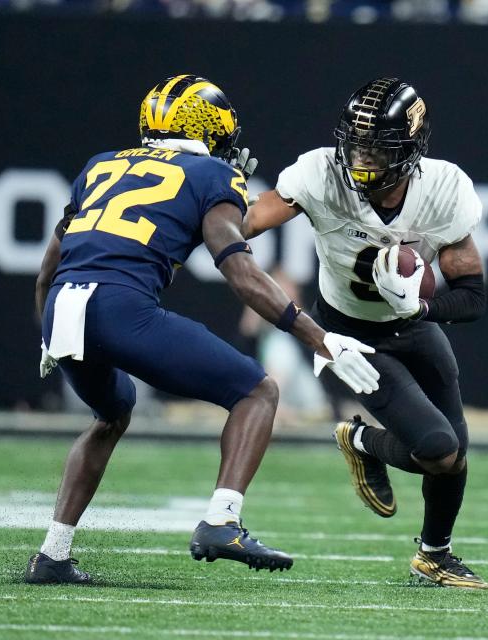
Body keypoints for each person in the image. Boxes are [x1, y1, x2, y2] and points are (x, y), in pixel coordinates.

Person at [25, 74, 380, 584]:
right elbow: (240, 273)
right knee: (257, 391)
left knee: (111, 413)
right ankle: (222, 521)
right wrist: (319, 338)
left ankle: (52, 555)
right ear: (210, 128)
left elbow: (46, 271)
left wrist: (47, 334)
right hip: (122, 308)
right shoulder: (212, 175)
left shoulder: (100, 166)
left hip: (64, 308)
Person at [242, 77, 488, 589]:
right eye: (356, 143)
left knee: (454, 456)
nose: (362, 158)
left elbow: (472, 294)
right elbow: (245, 222)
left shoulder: (443, 188)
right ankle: (360, 438)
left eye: (378, 147)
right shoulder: (320, 173)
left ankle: (434, 556)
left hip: (411, 326)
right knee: (438, 449)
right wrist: (204, 202)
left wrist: (421, 305)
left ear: (410, 148)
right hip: (347, 335)